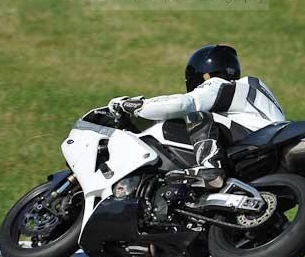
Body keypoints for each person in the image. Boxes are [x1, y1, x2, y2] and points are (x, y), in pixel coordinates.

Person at [108, 44, 286, 189]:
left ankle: (210, 168)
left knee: (197, 115)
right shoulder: (252, 91)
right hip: (269, 146)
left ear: (204, 75)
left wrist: (135, 106)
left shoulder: (219, 84)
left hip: (257, 140)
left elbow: (183, 104)